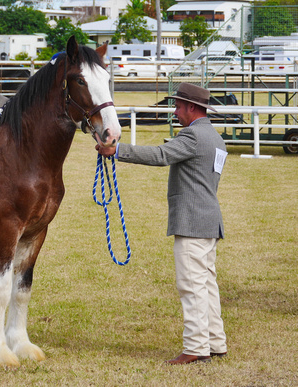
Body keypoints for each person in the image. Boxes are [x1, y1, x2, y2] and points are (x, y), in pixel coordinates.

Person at [97, 83, 228, 365]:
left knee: (191, 286)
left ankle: (195, 347)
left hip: (192, 223)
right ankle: (215, 342)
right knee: (206, 285)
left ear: (192, 108)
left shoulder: (193, 136)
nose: (176, 112)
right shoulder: (216, 138)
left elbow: (160, 155)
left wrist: (116, 151)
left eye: (179, 106)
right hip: (209, 221)